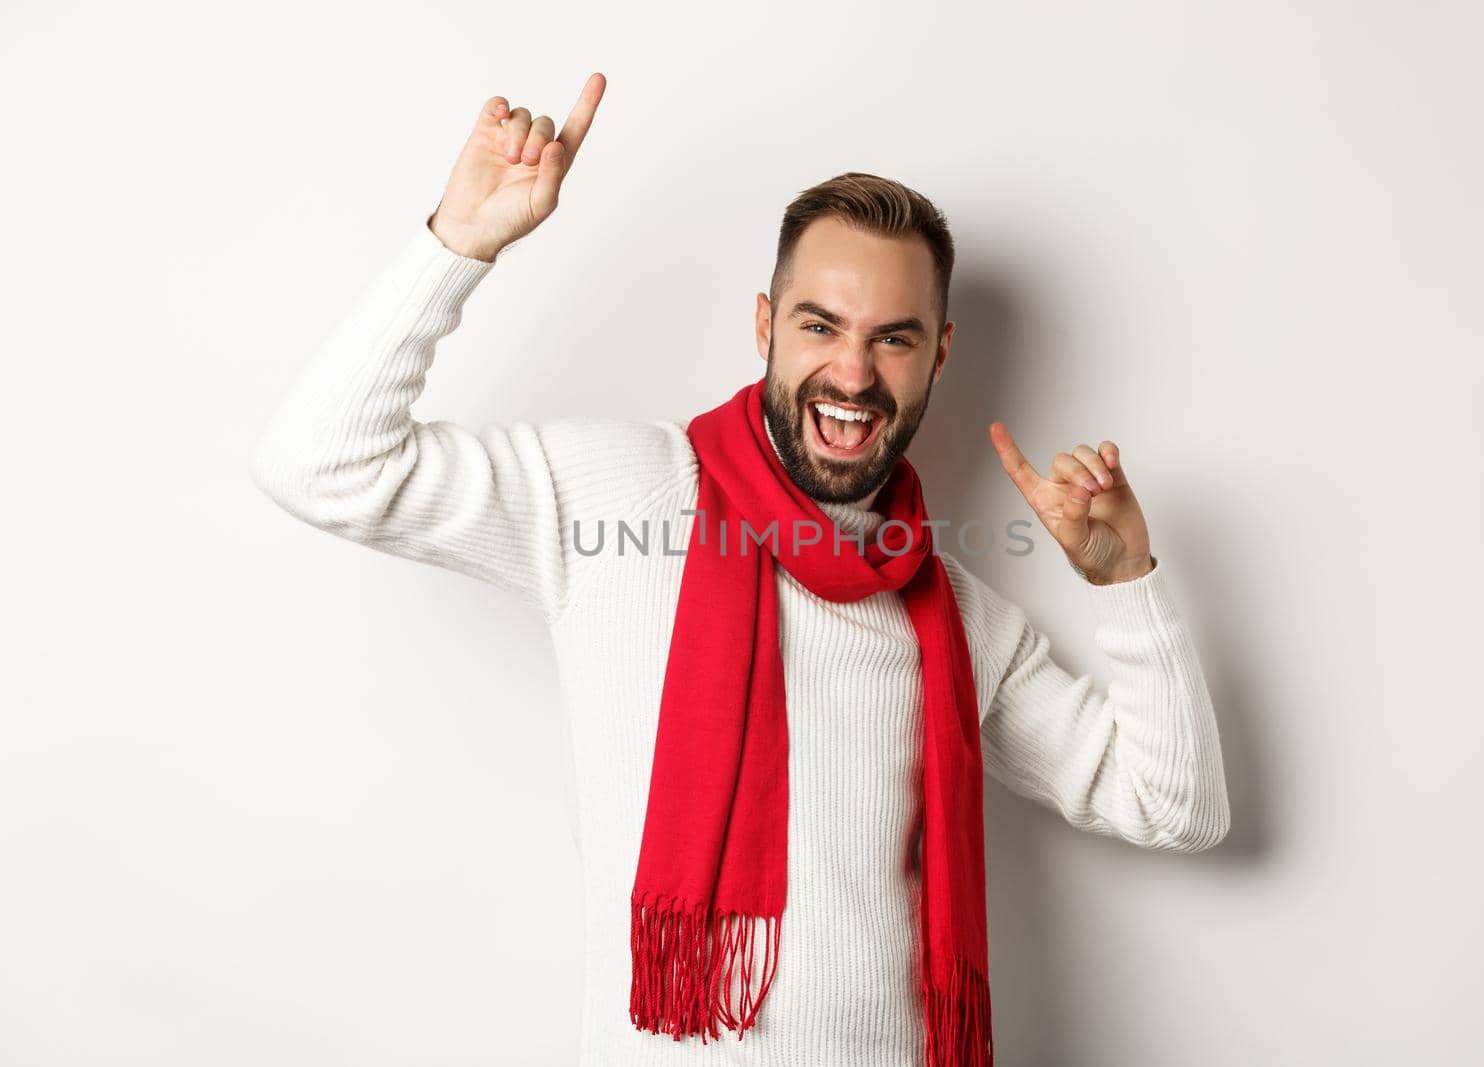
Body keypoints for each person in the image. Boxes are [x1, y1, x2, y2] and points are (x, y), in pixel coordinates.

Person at [248, 71, 1230, 1067]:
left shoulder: (957, 616)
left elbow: (1174, 805)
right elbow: (321, 467)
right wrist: (456, 244)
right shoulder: (618, 496)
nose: (852, 374)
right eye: (820, 325)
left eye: (891, 339)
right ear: (764, 326)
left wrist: (1126, 580)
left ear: (938, 356)